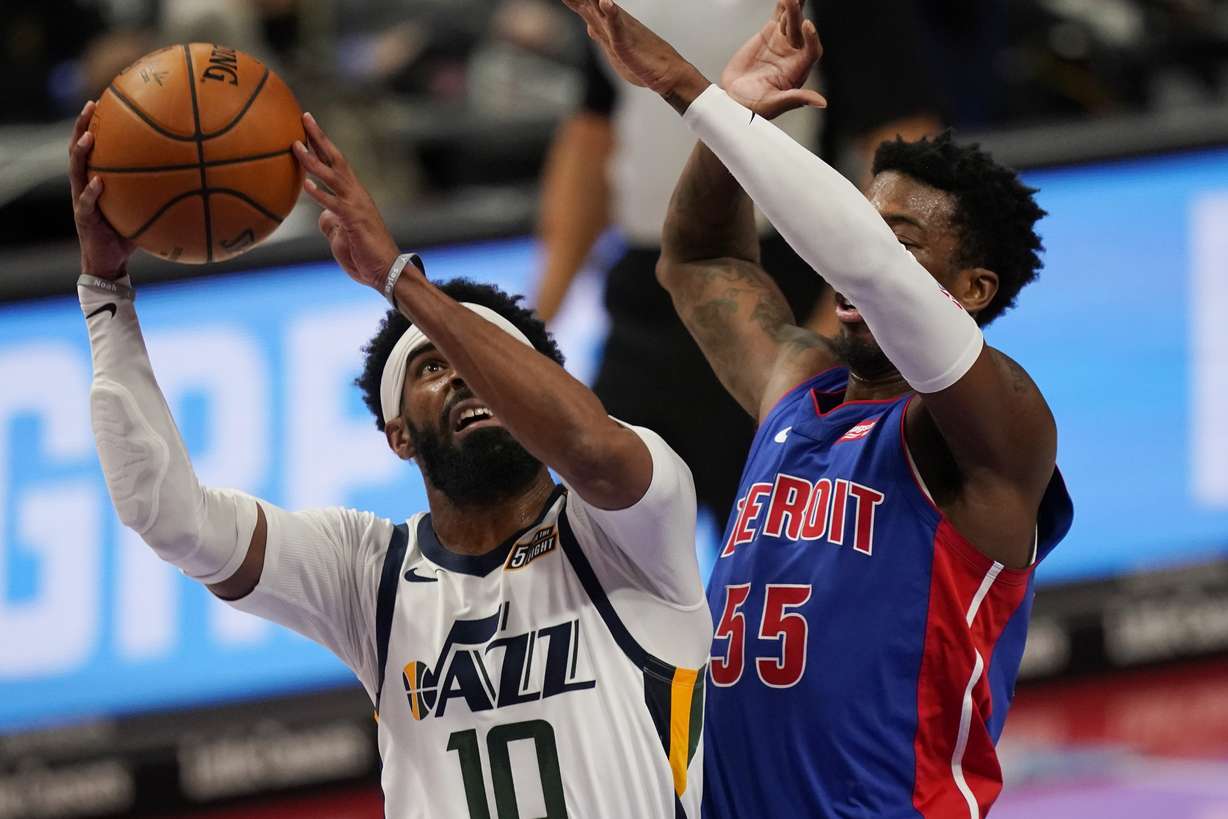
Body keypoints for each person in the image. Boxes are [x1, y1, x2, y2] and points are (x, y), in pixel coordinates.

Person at [68, 99, 712, 817]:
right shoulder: (367, 572)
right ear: (398, 433)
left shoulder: (628, 526)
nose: (468, 375)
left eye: (497, 365)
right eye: (434, 366)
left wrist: (401, 280)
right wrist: (105, 294)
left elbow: (588, 448)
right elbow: (169, 515)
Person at [561, 0, 1073, 816]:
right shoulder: (798, 389)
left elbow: (869, 268)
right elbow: (697, 256)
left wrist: (694, 95)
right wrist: (729, 122)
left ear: (974, 290)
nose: (850, 254)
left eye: (902, 238)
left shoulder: (997, 427)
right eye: (864, 221)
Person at [536, 0, 942, 537]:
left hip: (779, 289)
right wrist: (537, 318)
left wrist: (841, 328)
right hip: (646, 297)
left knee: (781, 549)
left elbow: (904, 142)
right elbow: (592, 132)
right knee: (605, 542)